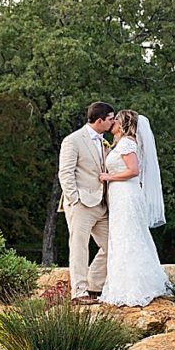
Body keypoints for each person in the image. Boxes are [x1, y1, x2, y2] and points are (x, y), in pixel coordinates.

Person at [97, 109, 170, 307]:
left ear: (122, 124)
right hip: (118, 195)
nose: (112, 123)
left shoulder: (128, 143)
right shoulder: (118, 144)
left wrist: (108, 177)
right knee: (121, 237)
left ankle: (135, 287)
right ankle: (120, 285)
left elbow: (133, 170)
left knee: (129, 236)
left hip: (126, 194)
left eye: (115, 120)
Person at [58, 102, 114, 304]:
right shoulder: (73, 140)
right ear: (100, 120)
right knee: (79, 247)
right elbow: (65, 172)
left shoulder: (104, 141)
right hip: (81, 203)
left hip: (101, 204)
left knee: (114, 245)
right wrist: (75, 199)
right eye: (110, 118)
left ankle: (94, 285)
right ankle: (79, 293)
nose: (113, 122)